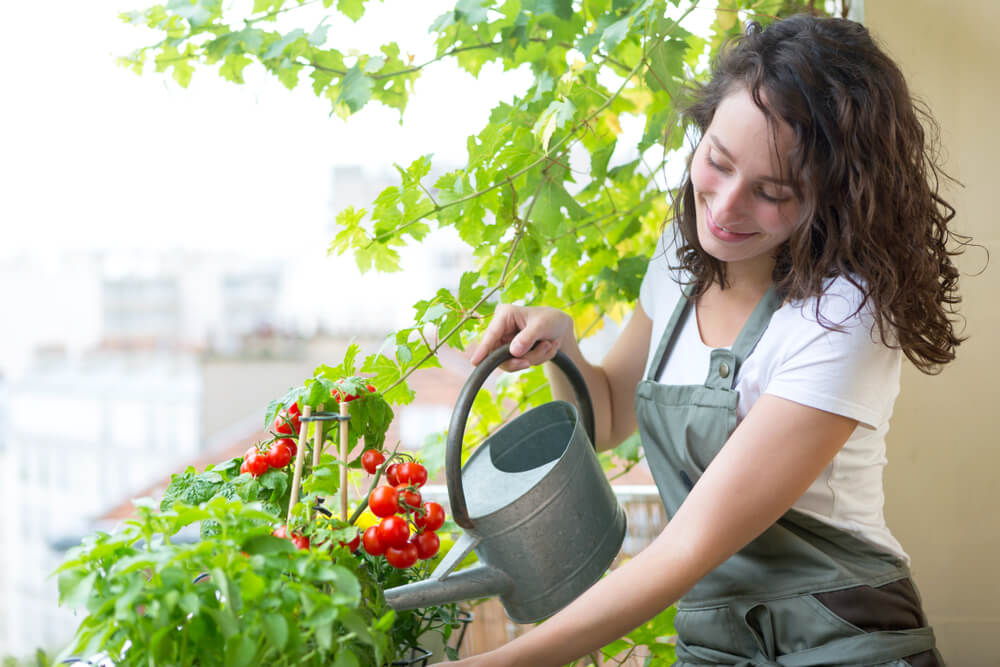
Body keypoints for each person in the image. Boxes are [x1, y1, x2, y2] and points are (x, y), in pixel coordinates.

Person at [453, 13, 968, 667]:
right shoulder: (679, 255)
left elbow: (689, 545)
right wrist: (564, 346)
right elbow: (605, 417)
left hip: (840, 638)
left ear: (831, 195)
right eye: (717, 162)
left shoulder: (843, 314)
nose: (723, 208)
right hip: (718, 642)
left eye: (771, 192)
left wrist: (496, 661)